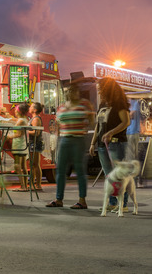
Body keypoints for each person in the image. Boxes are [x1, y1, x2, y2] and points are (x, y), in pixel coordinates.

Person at [47, 80, 94, 209]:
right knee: (60, 169)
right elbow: (57, 124)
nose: (72, 93)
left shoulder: (84, 104)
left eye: (75, 91)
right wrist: (56, 139)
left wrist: (86, 126)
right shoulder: (61, 107)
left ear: (78, 92)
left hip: (78, 139)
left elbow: (91, 121)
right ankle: (58, 199)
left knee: (79, 169)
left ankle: (82, 200)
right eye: (70, 91)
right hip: (64, 139)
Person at [90, 77, 130, 211]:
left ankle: (122, 204)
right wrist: (92, 143)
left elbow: (126, 122)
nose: (99, 92)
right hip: (102, 145)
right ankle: (113, 203)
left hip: (116, 143)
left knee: (118, 174)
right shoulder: (102, 105)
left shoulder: (119, 103)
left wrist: (111, 132)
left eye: (100, 89)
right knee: (109, 175)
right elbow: (98, 126)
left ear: (107, 89)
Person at [8, 103, 30, 192]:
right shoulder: (25, 119)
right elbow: (16, 120)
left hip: (18, 144)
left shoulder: (21, 121)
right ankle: (25, 186)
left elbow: (18, 134)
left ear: (18, 111)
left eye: (16, 110)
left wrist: (9, 137)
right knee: (24, 166)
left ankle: (22, 186)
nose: (15, 111)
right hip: (23, 144)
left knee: (17, 166)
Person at [28, 102, 45, 191]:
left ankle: (38, 184)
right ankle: (32, 184)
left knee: (35, 165)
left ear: (35, 110)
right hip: (33, 143)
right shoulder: (34, 118)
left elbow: (36, 132)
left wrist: (26, 131)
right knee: (33, 165)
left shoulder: (36, 119)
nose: (29, 108)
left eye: (31, 107)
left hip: (35, 143)